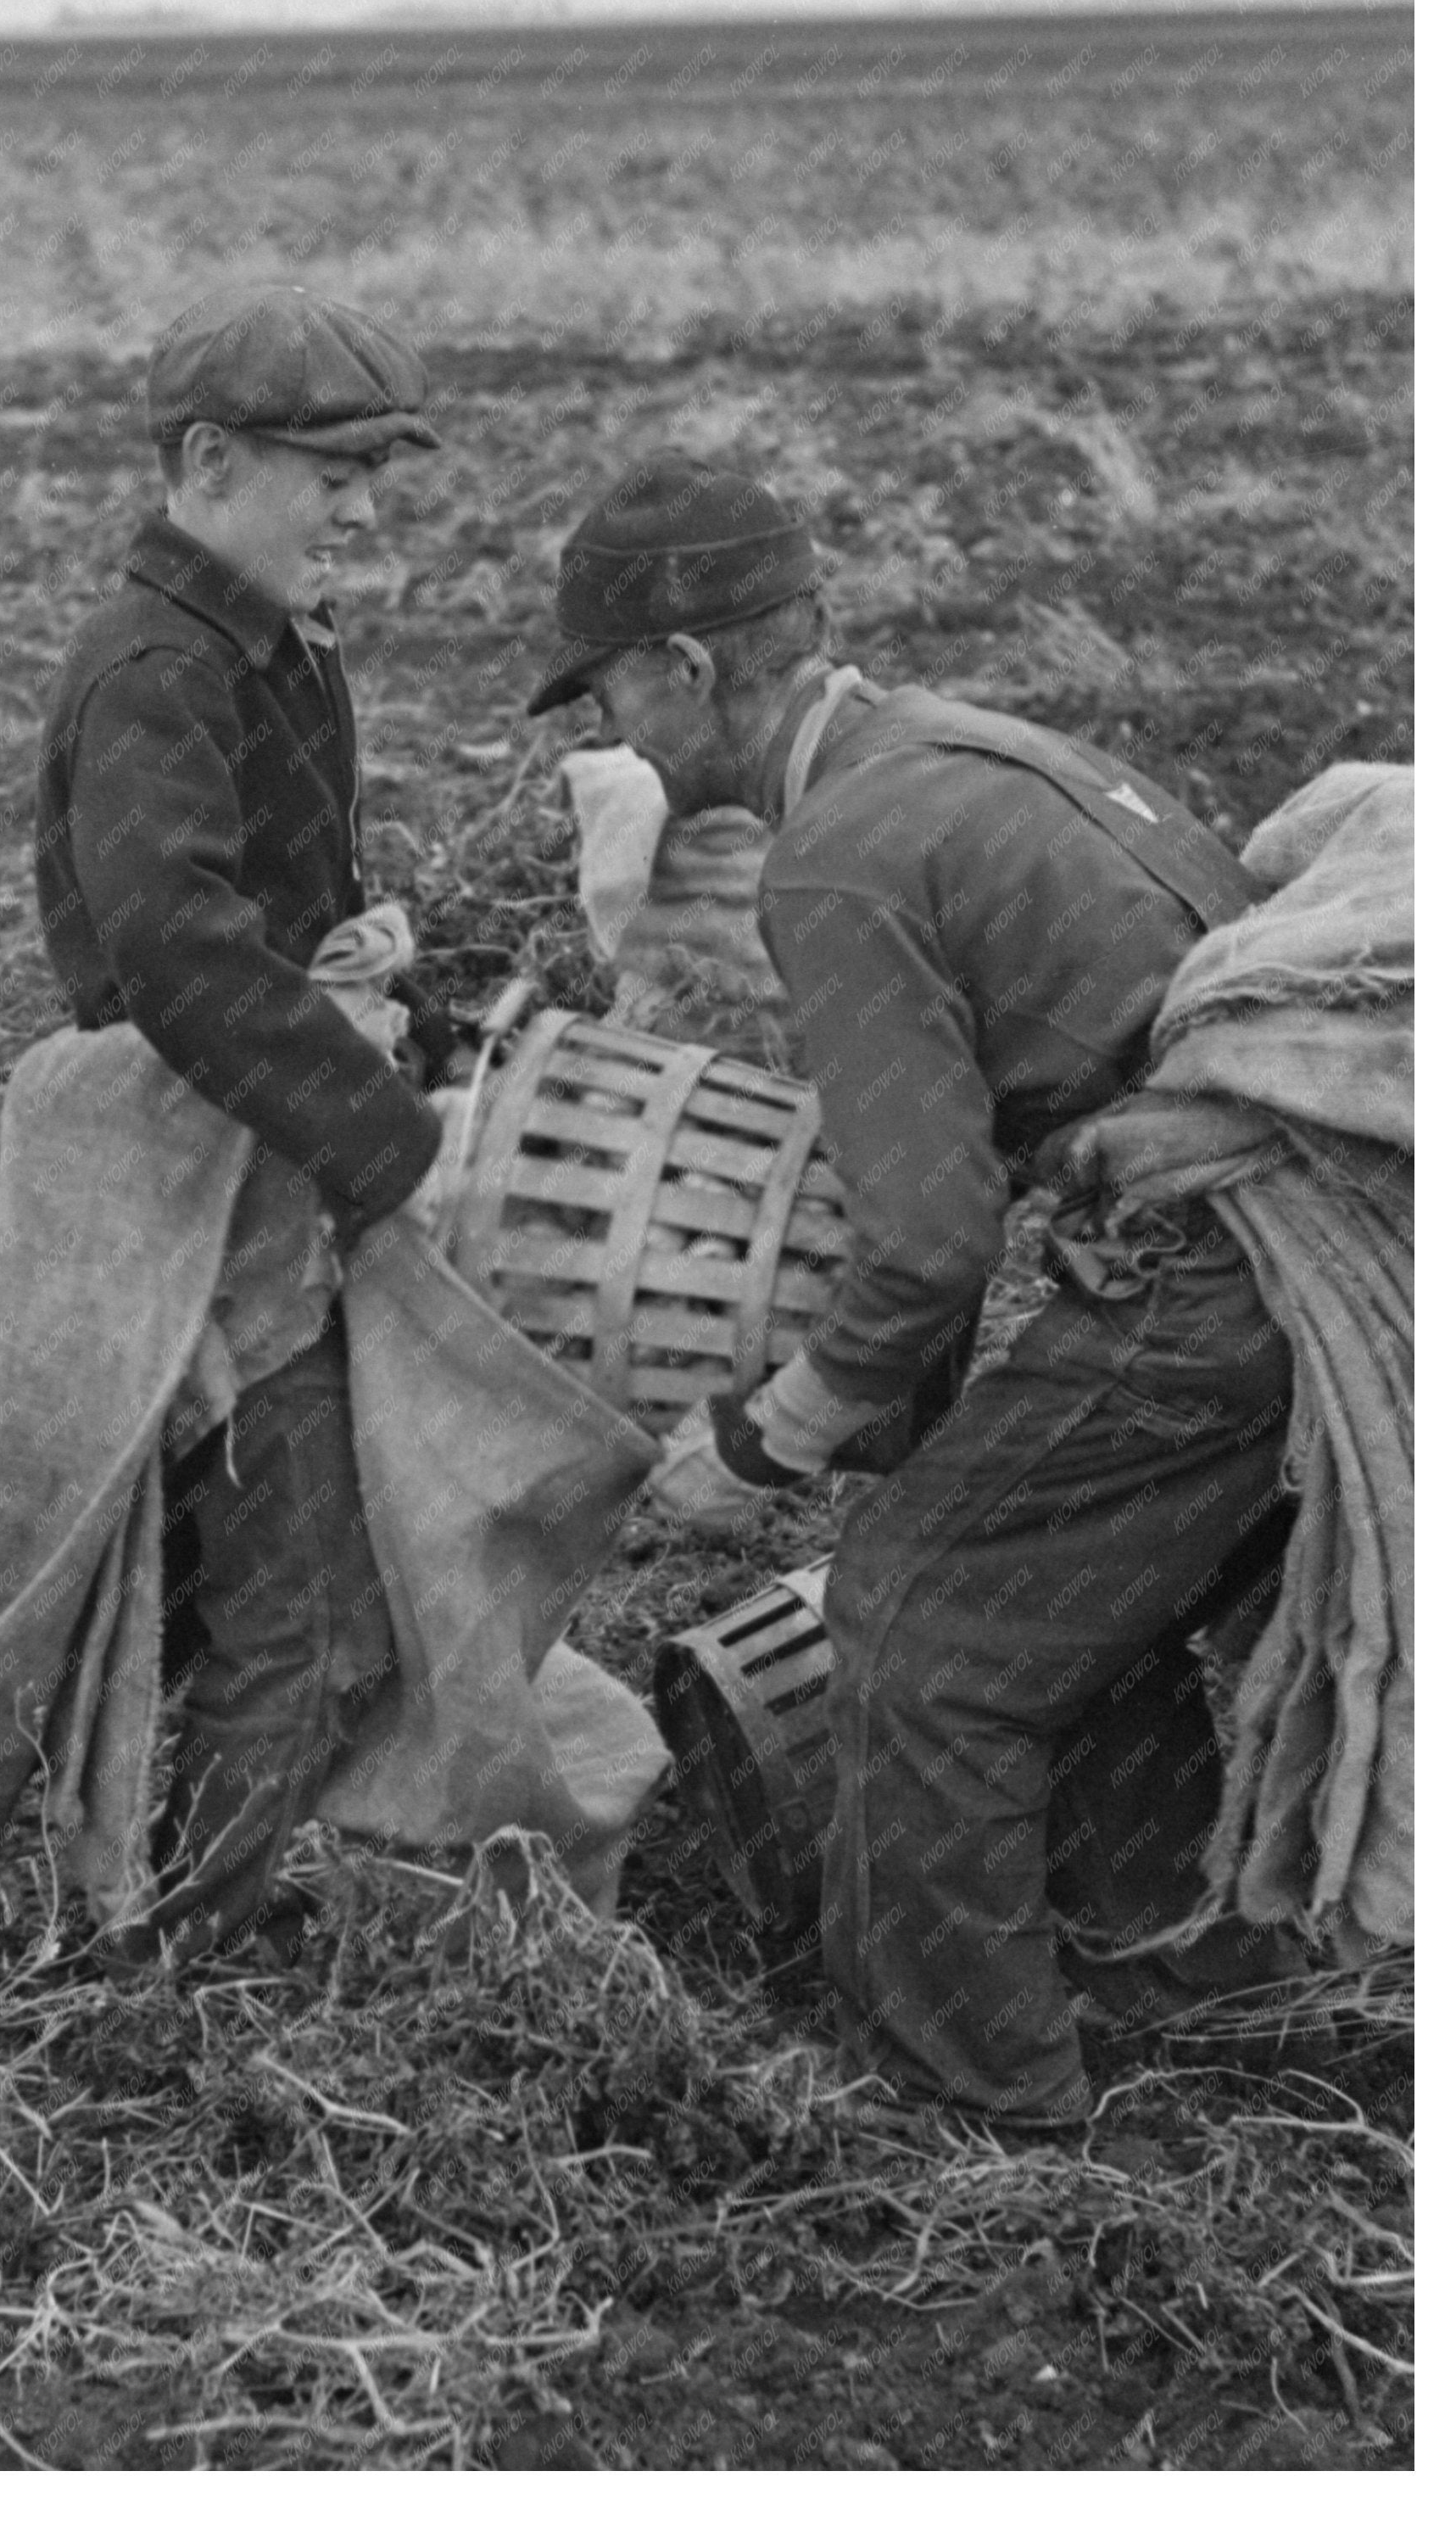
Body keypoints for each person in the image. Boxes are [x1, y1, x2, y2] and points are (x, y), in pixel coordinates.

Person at [526, 451, 1300, 2123]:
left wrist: (759, 1444)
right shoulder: (957, 749)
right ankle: (1166, 1971)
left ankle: (970, 2095)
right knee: (1069, 1595)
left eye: (607, 702)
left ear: (685, 670)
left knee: (913, 1624)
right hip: (1314, 1255)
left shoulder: (836, 864)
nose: (615, 748)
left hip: (1210, 1277)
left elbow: (929, 1236)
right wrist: (900, 1426)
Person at [34, 282, 450, 1966]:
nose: (358, 508)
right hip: (204, 1184)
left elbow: (249, 912)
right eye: (328, 471)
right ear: (208, 459)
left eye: (376, 476)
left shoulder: (262, 644)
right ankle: (176, 1971)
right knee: (279, 1590)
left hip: (260, 1150)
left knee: (233, 1573)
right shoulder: (157, 669)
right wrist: (388, 1144)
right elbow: (173, 953)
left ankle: (147, 1885)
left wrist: (344, 946)